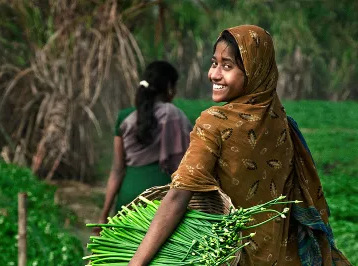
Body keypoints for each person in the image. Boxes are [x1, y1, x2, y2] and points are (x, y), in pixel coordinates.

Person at [129, 25, 352, 265]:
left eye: (228, 66)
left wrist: (136, 263)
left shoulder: (214, 123)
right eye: (214, 63)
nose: (214, 74)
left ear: (255, 71)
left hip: (233, 257)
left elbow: (178, 197)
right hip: (286, 257)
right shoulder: (284, 125)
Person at [97, 61, 192, 231]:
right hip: (163, 200)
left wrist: (103, 215)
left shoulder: (125, 117)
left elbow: (117, 170)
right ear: (169, 87)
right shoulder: (175, 116)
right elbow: (189, 165)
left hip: (128, 201)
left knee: (125, 254)